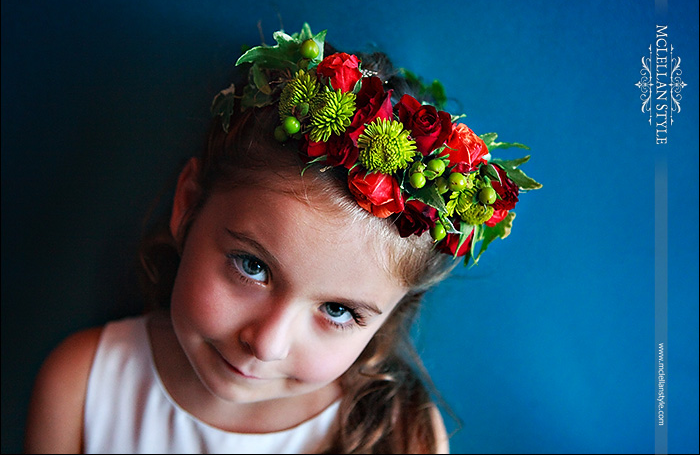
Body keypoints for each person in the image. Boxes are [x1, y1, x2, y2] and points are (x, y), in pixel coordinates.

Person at [24, 23, 540, 454]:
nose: (266, 344)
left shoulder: (401, 436)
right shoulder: (83, 387)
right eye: (252, 266)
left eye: (339, 310)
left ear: (390, 313)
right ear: (188, 205)